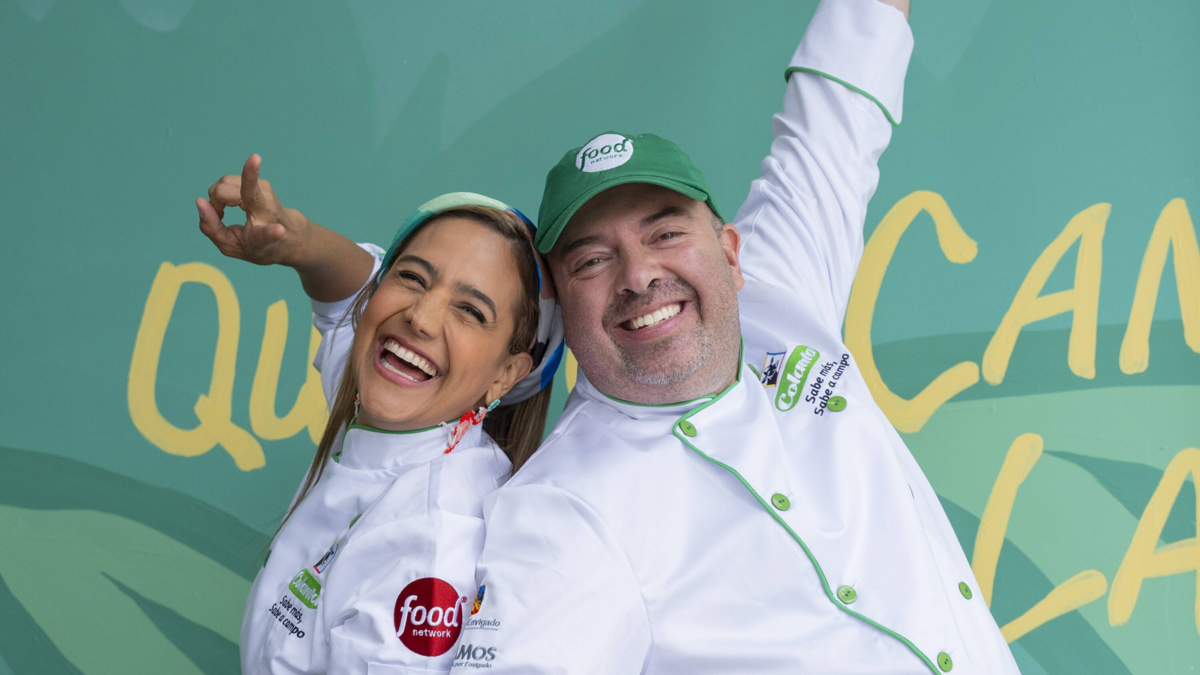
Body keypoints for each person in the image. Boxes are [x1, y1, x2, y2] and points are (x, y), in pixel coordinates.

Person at [450, 0, 1023, 672]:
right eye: (592, 261)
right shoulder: (559, 515)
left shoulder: (781, 294)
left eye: (666, 233)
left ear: (729, 251)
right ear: (561, 309)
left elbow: (838, 109)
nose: (639, 275)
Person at [194, 158, 563, 675]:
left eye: (471, 311)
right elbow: (348, 292)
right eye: (412, 278)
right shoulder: (396, 403)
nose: (420, 317)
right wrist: (297, 242)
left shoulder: (430, 546)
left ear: (505, 374)